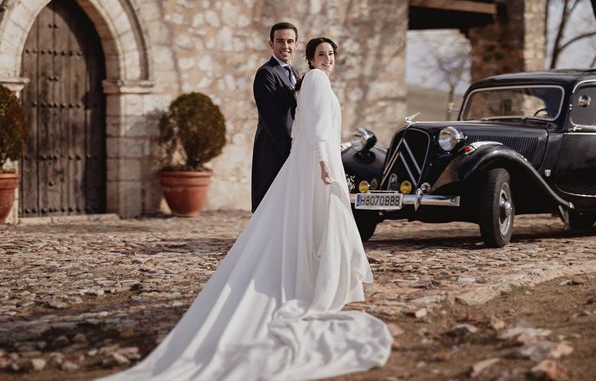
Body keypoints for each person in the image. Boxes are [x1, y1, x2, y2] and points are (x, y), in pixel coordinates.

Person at [98, 37, 392, 381]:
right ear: (310, 60)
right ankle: (318, 283)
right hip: (318, 163)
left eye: (330, 54)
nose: (327, 59)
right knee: (323, 219)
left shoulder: (314, 80)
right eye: (321, 54)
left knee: (320, 220)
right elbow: (312, 128)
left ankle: (320, 279)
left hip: (317, 159)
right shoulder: (315, 79)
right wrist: (326, 161)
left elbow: (313, 124)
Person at [251, 22, 300, 212]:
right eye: (280, 41)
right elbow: (272, 120)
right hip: (274, 149)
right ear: (271, 43)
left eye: (290, 41)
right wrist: (291, 153)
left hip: (291, 146)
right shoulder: (266, 74)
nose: (285, 46)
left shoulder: (295, 73)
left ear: (296, 44)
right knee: (271, 204)